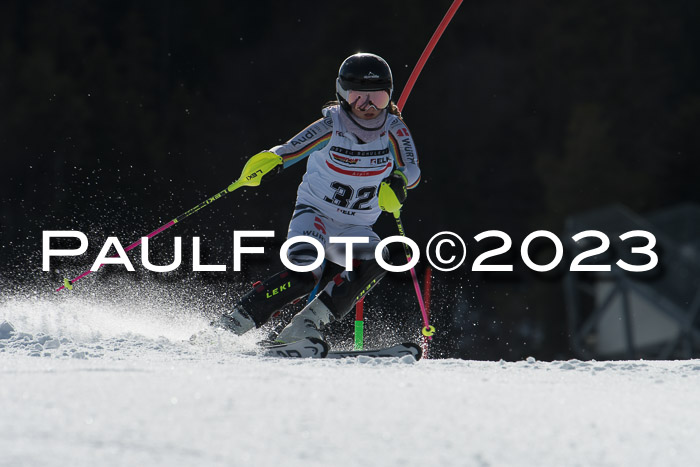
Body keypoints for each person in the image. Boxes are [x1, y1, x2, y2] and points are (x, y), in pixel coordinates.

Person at [218, 53, 420, 344]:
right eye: (358, 97)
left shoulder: (394, 129)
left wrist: (400, 182)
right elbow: (289, 150)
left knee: (380, 258)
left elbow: (411, 168)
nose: (368, 106)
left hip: (356, 229)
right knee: (304, 274)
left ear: (389, 95)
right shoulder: (332, 125)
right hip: (315, 215)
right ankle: (233, 323)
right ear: (342, 95)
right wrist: (269, 162)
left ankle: (305, 325)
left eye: (377, 96)